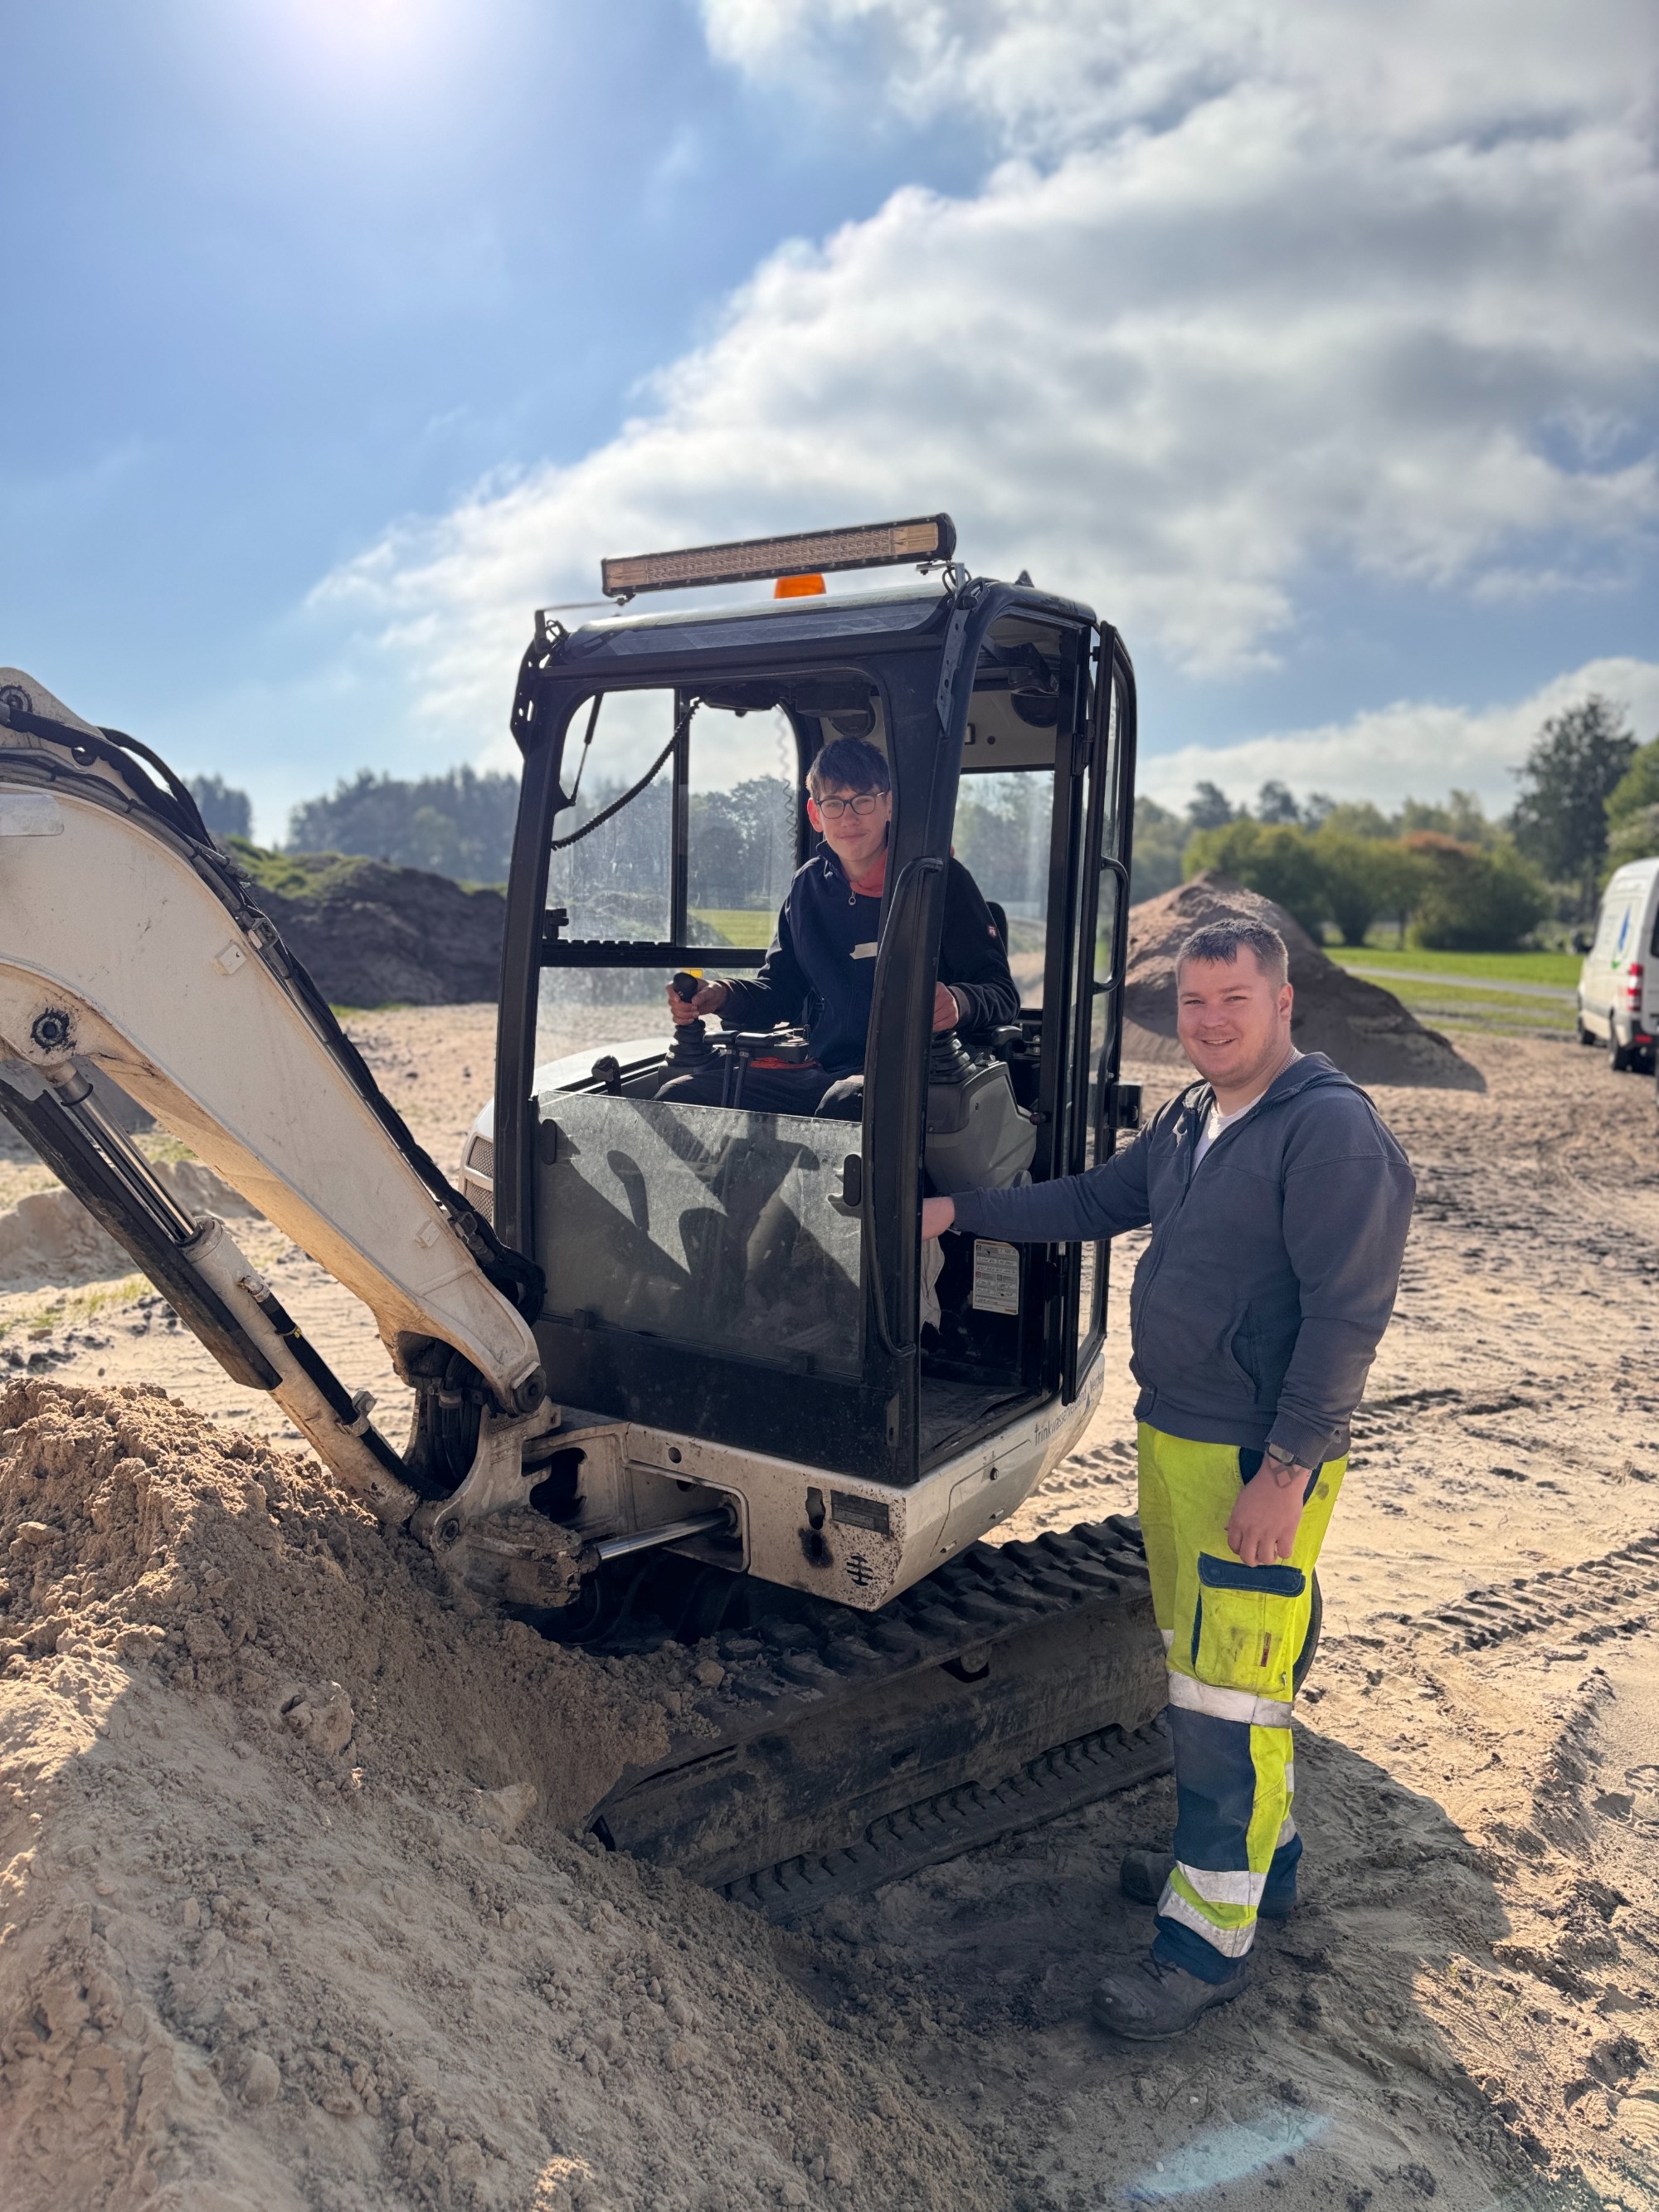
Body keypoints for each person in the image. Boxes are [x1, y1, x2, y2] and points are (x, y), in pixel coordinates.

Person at [921, 916, 1415, 2039]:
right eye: (1193, 1004)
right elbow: (1095, 1201)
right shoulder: (1197, 1116)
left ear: (1284, 1002)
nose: (1210, 1022)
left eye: (1233, 1000)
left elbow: (1345, 1322)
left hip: (1254, 1456)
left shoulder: (1329, 1134)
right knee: (1227, 1676)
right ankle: (1264, 1866)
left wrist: (1284, 1471)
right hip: (1181, 1436)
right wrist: (965, 1210)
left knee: (1221, 1708)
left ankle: (1202, 1944)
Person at [659, 735, 1016, 1118]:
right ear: (815, 814)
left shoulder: (939, 883)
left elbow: (1001, 995)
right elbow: (781, 990)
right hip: (822, 1071)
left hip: (918, 1078)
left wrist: (958, 1002)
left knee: (842, 1106)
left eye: (863, 800)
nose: (849, 817)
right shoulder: (807, 888)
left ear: (889, 805)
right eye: (834, 804)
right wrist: (721, 994)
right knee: (679, 1097)